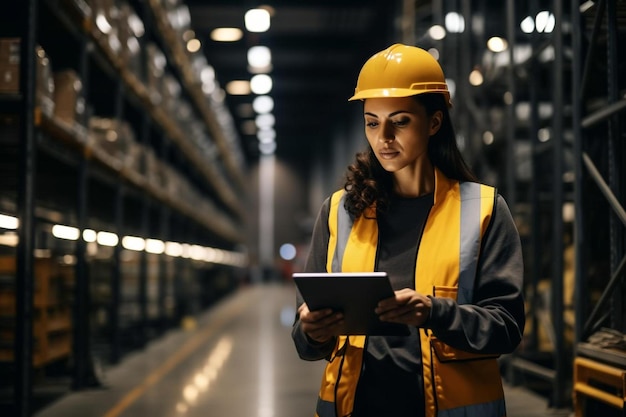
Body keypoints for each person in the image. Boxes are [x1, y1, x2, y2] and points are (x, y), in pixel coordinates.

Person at [291, 43, 525, 417]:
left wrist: (434, 312)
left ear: (434, 122)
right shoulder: (339, 212)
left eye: (399, 121)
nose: (383, 137)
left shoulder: (483, 210)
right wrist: (311, 330)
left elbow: (507, 326)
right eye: (372, 122)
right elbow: (306, 341)